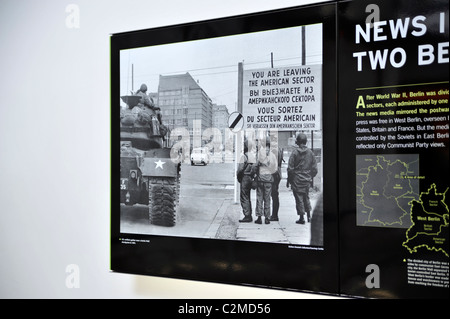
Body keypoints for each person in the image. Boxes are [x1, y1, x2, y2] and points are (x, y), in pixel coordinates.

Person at [286, 133, 318, 224]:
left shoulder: (294, 153)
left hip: (296, 179)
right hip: (307, 180)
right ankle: (309, 216)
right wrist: (310, 177)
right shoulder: (310, 153)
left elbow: (290, 169)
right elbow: (315, 169)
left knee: (299, 198)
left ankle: (301, 217)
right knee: (306, 197)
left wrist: (289, 180)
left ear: (297, 142)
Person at [255, 139, 277, 225]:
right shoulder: (272, 155)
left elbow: (255, 165)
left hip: (260, 179)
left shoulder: (260, 154)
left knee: (259, 198)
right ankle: (267, 218)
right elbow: (275, 169)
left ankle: (259, 217)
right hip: (269, 180)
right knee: (267, 198)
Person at [237, 138, 257, 223]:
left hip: (244, 178)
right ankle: (249, 214)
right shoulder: (252, 156)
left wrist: (238, 177)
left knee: (244, 197)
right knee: (248, 197)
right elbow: (254, 169)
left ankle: (247, 215)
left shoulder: (244, 156)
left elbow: (240, 169)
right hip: (250, 178)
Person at [269, 135, 283, 222]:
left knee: (273, 194)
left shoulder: (273, 150)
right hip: (278, 172)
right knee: (275, 194)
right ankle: (274, 214)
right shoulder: (279, 148)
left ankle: (274, 215)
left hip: (273, 173)